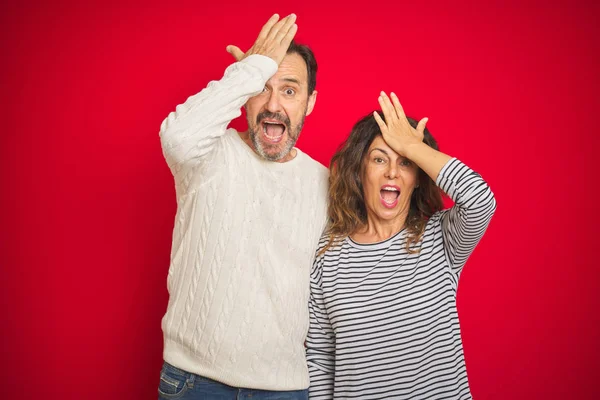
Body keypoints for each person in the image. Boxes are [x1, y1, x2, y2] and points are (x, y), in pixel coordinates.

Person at [157, 13, 328, 399]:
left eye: (289, 91)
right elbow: (177, 135)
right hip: (193, 383)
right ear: (245, 94)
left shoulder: (326, 185)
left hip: (284, 389)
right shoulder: (207, 157)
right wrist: (251, 68)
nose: (273, 105)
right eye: (261, 88)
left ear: (310, 102)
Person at [306, 92, 496, 399]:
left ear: (418, 177)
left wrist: (413, 146)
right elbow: (319, 360)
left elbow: (480, 199)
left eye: (405, 163)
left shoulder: (441, 239)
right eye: (379, 159)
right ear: (359, 171)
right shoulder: (327, 256)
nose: (392, 172)